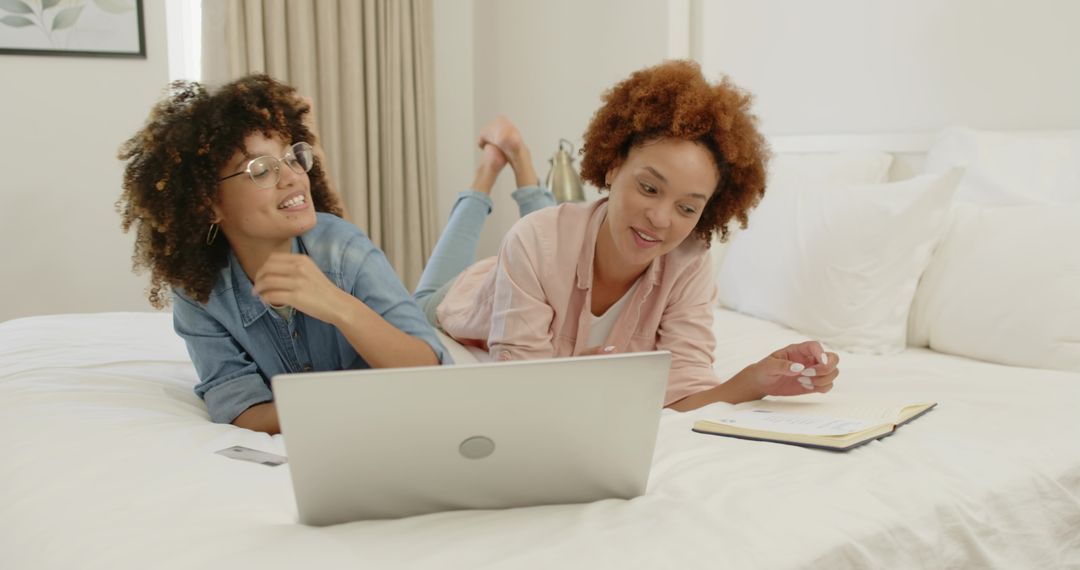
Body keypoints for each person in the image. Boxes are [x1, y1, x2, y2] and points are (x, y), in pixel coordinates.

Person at [414, 60, 839, 410]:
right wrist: (574, 379)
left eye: (687, 208)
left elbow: (683, 395)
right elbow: (521, 393)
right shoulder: (533, 242)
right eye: (649, 188)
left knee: (565, 229)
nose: (660, 218)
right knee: (425, 295)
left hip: (557, 247)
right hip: (463, 297)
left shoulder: (688, 262)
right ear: (614, 166)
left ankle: (520, 157)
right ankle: (490, 168)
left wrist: (754, 380)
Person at [117, 75, 449, 434]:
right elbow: (244, 412)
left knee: (441, 298)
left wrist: (338, 306)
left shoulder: (342, 247)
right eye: (261, 169)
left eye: (293, 157)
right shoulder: (199, 293)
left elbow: (428, 369)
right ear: (208, 203)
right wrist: (349, 403)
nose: (292, 177)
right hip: (358, 417)